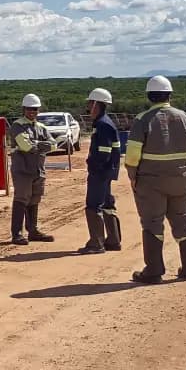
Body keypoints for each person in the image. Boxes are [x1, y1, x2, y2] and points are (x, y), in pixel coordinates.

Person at [125, 75, 186, 283]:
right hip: (181, 179)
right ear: (169, 94)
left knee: (152, 223)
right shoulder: (185, 117)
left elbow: (132, 156)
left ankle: (154, 271)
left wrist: (133, 177)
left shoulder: (142, 120)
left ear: (150, 96)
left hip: (151, 182)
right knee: (182, 220)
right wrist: (184, 171)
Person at [77, 88, 123, 254]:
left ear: (96, 104)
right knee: (107, 203)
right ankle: (113, 240)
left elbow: (103, 152)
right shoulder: (105, 122)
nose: (88, 107)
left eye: (90, 103)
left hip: (100, 172)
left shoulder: (102, 124)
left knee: (94, 205)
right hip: (107, 171)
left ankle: (96, 243)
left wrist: (93, 165)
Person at [7, 93, 56, 245]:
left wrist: (38, 144)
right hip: (22, 171)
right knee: (21, 199)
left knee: (34, 199)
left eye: (35, 109)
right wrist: (41, 144)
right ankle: (17, 234)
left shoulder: (41, 127)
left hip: (38, 170)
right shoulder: (17, 126)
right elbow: (26, 146)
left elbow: (54, 145)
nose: (32, 112)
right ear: (24, 109)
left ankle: (33, 231)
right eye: (29, 109)